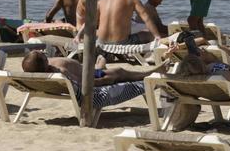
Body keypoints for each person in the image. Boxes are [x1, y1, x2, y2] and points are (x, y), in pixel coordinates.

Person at [21, 49, 157, 117]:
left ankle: (101, 62)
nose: (45, 54)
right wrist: (104, 81)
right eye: (44, 55)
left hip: (87, 71)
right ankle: (148, 74)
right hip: (91, 75)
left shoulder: (39, 75)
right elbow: (84, 84)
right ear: (44, 62)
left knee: (101, 69)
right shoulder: (60, 71)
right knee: (120, 72)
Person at [94, 0, 166, 46]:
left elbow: (93, 24)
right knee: (148, 34)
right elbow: (146, 18)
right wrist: (157, 36)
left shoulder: (101, 2)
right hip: (121, 43)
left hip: (102, 42)